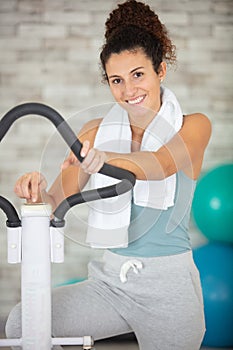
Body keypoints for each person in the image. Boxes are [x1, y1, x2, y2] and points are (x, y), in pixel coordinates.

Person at [6, 1, 211, 349]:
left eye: (138, 74)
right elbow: (58, 199)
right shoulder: (93, 132)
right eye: (117, 80)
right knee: (22, 324)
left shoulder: (194, 126)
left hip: (169, 285)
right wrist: (37, 192)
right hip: (111, 281)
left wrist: (103, 159)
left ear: (160, 70)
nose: (129, 90)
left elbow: (160, 165)